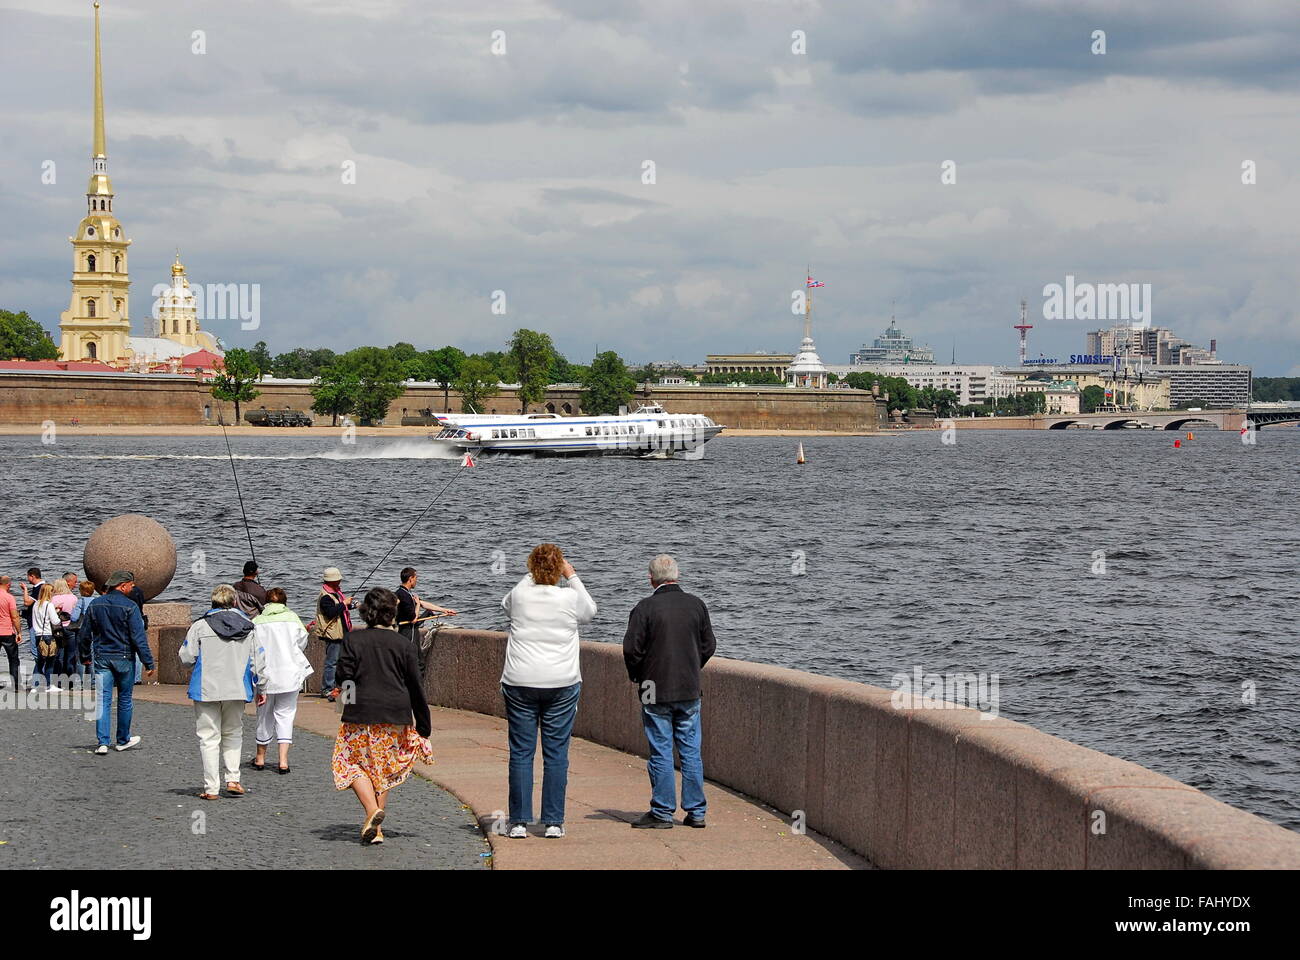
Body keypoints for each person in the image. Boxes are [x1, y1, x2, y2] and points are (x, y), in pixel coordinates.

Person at [499, 544, 596, 840]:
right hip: (561, 683)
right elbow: (591, 611)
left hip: (519, 682)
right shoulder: (569, 597)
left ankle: (518, 822)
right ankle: (553, 821)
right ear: (559, 570)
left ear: (530, 567)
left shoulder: (520, 595)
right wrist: (572, 574)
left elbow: (505, 603)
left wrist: (532, 574)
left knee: (521, 753)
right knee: (556, 755)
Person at [622, 554, 717, 829]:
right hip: (688, 687)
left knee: (661, 749)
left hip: (654, 688)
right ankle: (696, 812)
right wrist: (691, 666)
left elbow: (632, 649)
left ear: (650, 579)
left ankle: (662, 812)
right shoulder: (696, 605)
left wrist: (638, 675)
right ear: (677, 575)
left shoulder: (645, 608)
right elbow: (709, 644)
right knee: (690, 750)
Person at [331, 588, 432, 845]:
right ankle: (377, 830)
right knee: (383, 768)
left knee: (348, 764)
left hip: (360, 712)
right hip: (395, 713)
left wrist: (346, 702)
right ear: (392, 613)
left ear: (366, 612)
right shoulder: (403, 644)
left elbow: (343, 677)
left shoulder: (354, 640)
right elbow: (415, 685)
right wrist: (423, 723)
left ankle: (371, 811)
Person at [178, 584, 257, 800]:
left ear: (212, 602)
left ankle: (211, 788)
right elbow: (258, 662)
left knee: (208, 738)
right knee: (233, 733)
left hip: (206, 688)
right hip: (237, 688)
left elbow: (186, 657)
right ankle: (233, 779)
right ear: (234, 602)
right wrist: (262, 687)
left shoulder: (200, 626)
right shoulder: (249, 626)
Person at [81, 570, 156, 754]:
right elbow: (138, 638)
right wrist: (148, 662)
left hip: (102, 658)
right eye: (131, 585)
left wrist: (85, 656)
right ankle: (122, 740)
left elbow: (84, 634)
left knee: (103, 700)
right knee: (124, 699)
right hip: (124, 658)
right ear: (122, 586)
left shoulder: (95, 604)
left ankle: (103, 742)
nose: (133, 588)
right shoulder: (130, 606)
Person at [250, 587, 311, 774]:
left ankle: (260, 758)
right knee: (286, 716)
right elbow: (302, 642)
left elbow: (252, 649)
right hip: (289, 675)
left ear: (266, 602)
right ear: (285, 602)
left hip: (265, 676)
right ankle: (283, 761)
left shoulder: (257, 622)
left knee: (264, 716)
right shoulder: (293, 618)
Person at [395, 567, 457, 675]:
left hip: (406, 632)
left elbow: (425, 604)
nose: (416, 580)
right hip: (409, 633)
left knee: (416, 662)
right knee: (415, 664)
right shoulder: (404, 595)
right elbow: (414, 618)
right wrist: (418, 604)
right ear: (410, 579)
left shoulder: (403, 593)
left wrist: (444, 610)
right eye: (416, 577)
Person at [312, 567, 355, 701]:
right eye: (338, 579)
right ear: (332, 581)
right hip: (333, 634)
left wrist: (351, 605)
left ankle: (338, 687)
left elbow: (340, 607)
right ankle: (327, 689)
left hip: (342, 632)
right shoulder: (326, 596)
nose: (340, 581)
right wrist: (344, 603)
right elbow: (331, 612)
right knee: (332, 662)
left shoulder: (335, 593)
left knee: (342, 661)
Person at [30, 583, 61, 692]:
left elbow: (34, 621)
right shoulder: (49, 605)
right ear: (49, 592)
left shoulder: (36, 604)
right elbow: (55, 621)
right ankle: (50, 685)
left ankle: (35, 684)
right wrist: (58, 613)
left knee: (40, 661)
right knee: (50, 661)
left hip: (38, 635)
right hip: (48, 636)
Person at [66, 580, 97, 688]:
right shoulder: (96, 601)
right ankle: (92, 682)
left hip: (82, 631)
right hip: (94, 631)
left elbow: (74, 617)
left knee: (80, 657)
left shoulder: (81, 602)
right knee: (91, 657)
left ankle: (79, 683)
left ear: (82, 591)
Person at [51, 577, 78, 687]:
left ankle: (58, 680)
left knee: (59, 656)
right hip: (71, 628)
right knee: (71, 655)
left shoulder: (53, 599)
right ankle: (70, 681)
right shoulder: (73, 598)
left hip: (58, 629)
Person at [0, 576, 23, 691]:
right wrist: (19, 632)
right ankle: (16, 685)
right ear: (8, 585)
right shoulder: (9, 598)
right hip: (7, 631)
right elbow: (14, 616)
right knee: (13, 659)